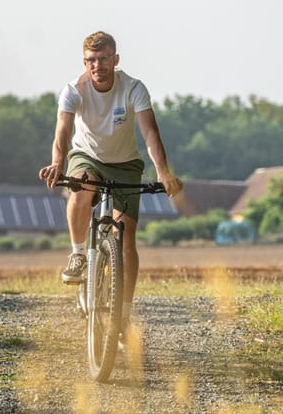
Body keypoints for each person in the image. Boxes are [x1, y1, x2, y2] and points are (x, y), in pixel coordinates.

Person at [39, 31, 182, 333]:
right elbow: (62, 133)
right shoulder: (73, 90)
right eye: (91, 60)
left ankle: (123, 316)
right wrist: (57, 163)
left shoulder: (133, 88)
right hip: (87, 156)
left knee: (126, 237)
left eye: (104, 59)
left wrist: (163, 171)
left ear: (115, 60)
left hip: (125, 164)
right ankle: (79, 254)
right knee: (80, 187)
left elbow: (150, 133)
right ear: (84, 62)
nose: (98, 65)